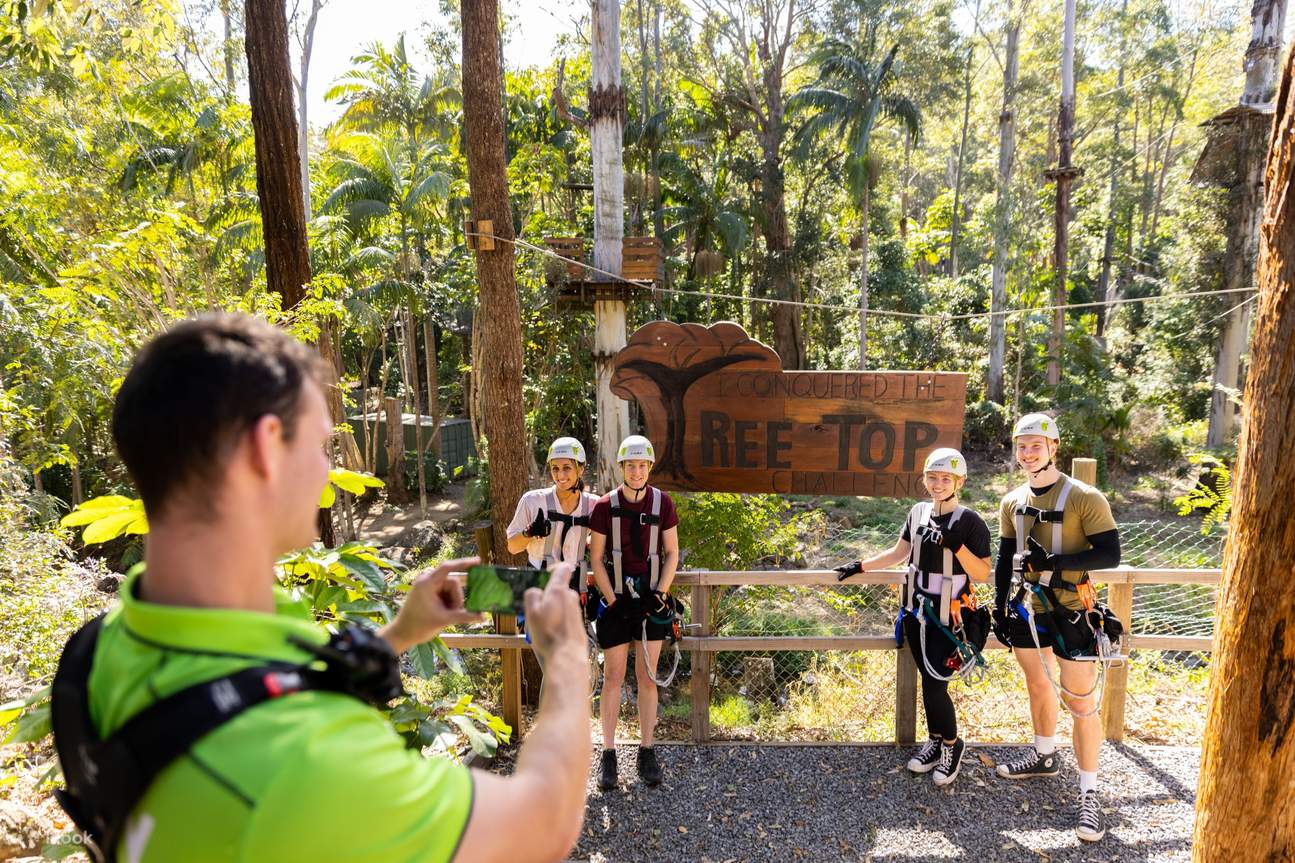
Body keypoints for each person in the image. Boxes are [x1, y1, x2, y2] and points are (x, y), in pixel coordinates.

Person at [51, 314, 591, 863]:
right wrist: (569, 658)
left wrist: (399, 635)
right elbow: (544, 824)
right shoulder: (310, 760)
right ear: (265, 449)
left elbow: (238, 689)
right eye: (320, 446)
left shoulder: (94, 652)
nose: (326, 472)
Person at [991, 412, 1122, 843]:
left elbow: (1110, 554)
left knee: (1080, 702)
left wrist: (1056, 562)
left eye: (1036, 445)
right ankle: (1044, 754)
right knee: (1037, 685)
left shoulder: (1085, 497)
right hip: (1030, 609)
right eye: (1021, 446)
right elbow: (1004, 557)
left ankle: (1089, 792)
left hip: (1072, 609)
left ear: (1053, 447)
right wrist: (999, 607)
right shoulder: (1012, 501)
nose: (1028, 454)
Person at [834, 448, 991, 786]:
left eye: (945, 478)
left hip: (949, 617)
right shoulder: (918, 512)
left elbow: (981, 572)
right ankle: (935, 740)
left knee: (936, 683)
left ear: (960, 482)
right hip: (917, 612)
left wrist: (957, 546)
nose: (938, 484)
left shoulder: (970, 522)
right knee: (927, 681)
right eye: (932, 477)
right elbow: (900, 552)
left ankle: (952, 745)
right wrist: (860, 566)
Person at [587, 434, 680, 791]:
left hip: (651, 600)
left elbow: (672, 552)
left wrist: (660, 594)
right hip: (616, 601)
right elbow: (596, 558)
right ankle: (608, 753)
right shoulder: (604, 507)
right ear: (622, 467)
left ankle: (647, 750)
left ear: (649, 467)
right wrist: (612, 599)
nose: (636, 472)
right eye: (631, 466)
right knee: (613, 677)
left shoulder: (663, 504)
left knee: (647, 677)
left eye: (642, 466)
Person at [506, 436, 600, 612]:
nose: (560, 475)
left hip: (574, 587)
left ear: (581, 469)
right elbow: (512, 547)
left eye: (567, 468)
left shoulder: (594, 504)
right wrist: (530, 532)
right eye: (555, 468)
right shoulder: (532, 501)